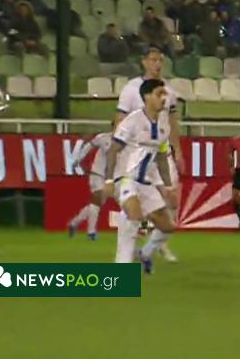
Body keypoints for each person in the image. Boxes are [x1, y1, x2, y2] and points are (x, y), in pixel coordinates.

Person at [114, 48, 184, 262]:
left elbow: (171, 122)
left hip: (157, 154)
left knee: (170, 204)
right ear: (144, 62)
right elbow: (120, 119)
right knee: (133, 214)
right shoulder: (131, 89)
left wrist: (178, 150)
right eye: (153, 60)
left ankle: (152, 248)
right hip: (134, 158)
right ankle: (123, 260)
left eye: (160, 60)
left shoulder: (169, 91)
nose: (157, 64)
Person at [103, 79, 176, 274]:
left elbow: (161, 158)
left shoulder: (163, 124)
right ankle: (122, 267)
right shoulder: (132, 121)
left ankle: (144, 253)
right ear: (146, 97)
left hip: (147, 183)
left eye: (165, 94)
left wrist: (168, 187)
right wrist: (108, 180)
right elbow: (113, 150)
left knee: (168, 226)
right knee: (133, 216)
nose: (164, 98)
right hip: (126, 178)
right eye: (159, 94)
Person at [67, 129, 113, 240]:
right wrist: (78, 159)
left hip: (111, 177)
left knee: (97, 203)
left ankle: (74, 223)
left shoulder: (126, 141)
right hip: (97, 173)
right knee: (97, 199)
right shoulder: (103, 137)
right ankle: (91, 231)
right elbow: (89, 146)